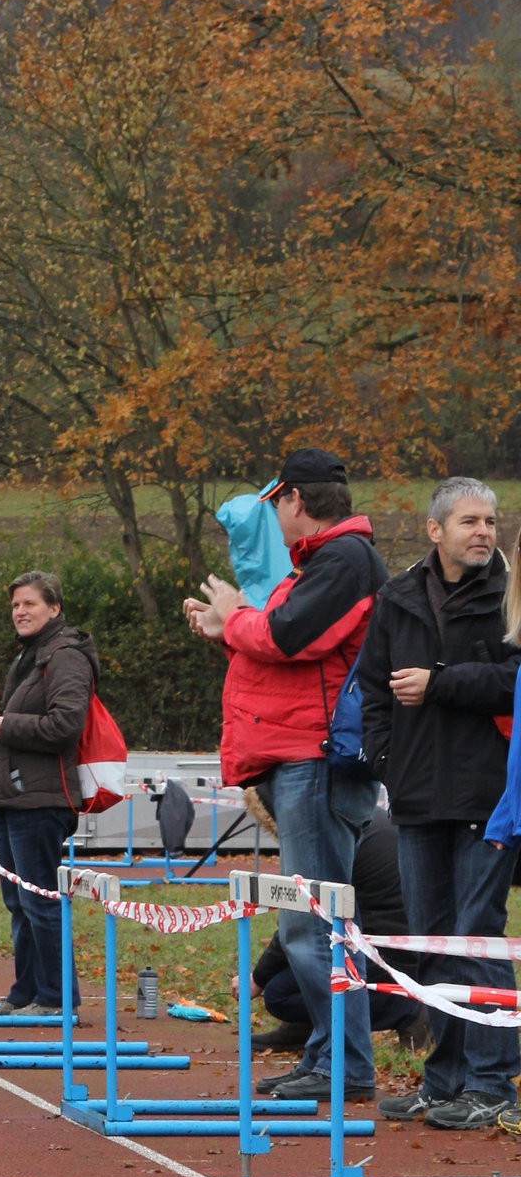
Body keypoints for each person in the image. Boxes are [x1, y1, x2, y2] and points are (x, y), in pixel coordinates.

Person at [184, 445, 387, 1103]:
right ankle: (331, 1057)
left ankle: (344, 1064)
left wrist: (237, 618)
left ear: (294, 500)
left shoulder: (343, 560)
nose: (273, 519)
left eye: (276, 505)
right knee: (313, 922)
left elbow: (284, 636)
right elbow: (283, 652)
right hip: (303, 760)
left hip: (315, 762)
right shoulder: (327, 563)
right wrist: (227, 630)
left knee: (314, 925)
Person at [357, 479, 520, 1128]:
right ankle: (444, 1080)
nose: (484, 532)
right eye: (469, 521)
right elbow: (373, 689)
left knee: (477, 938)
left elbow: (516, 682)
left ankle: (491, 1084)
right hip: (417, 795)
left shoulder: (510, 595)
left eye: (490, 521)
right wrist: (384, 762)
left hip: (488, 795)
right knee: (427, 940)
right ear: (435, 530)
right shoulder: (396, 597)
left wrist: (443, 683)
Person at [0, 571, 95, 1013]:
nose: (19, 612)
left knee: (39, 900)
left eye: (29, 604)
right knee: (19, 902)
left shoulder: (65, 656)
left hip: (41, 801)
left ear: (54, 608)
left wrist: (5, 724)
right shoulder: (30, 656)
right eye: (15, 605)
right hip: (11, 796)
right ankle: (24, 993)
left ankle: (57, 999)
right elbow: (32, 719)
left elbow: (66, 724)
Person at [249, 806, 431, 1053]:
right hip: (409, 942)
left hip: (385, 952)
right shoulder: (363, 817)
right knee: (299, 968)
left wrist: (257, 978)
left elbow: (300, 920)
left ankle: (408, 1008)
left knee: (279, 995)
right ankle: (314, 1024)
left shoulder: (327, 836)